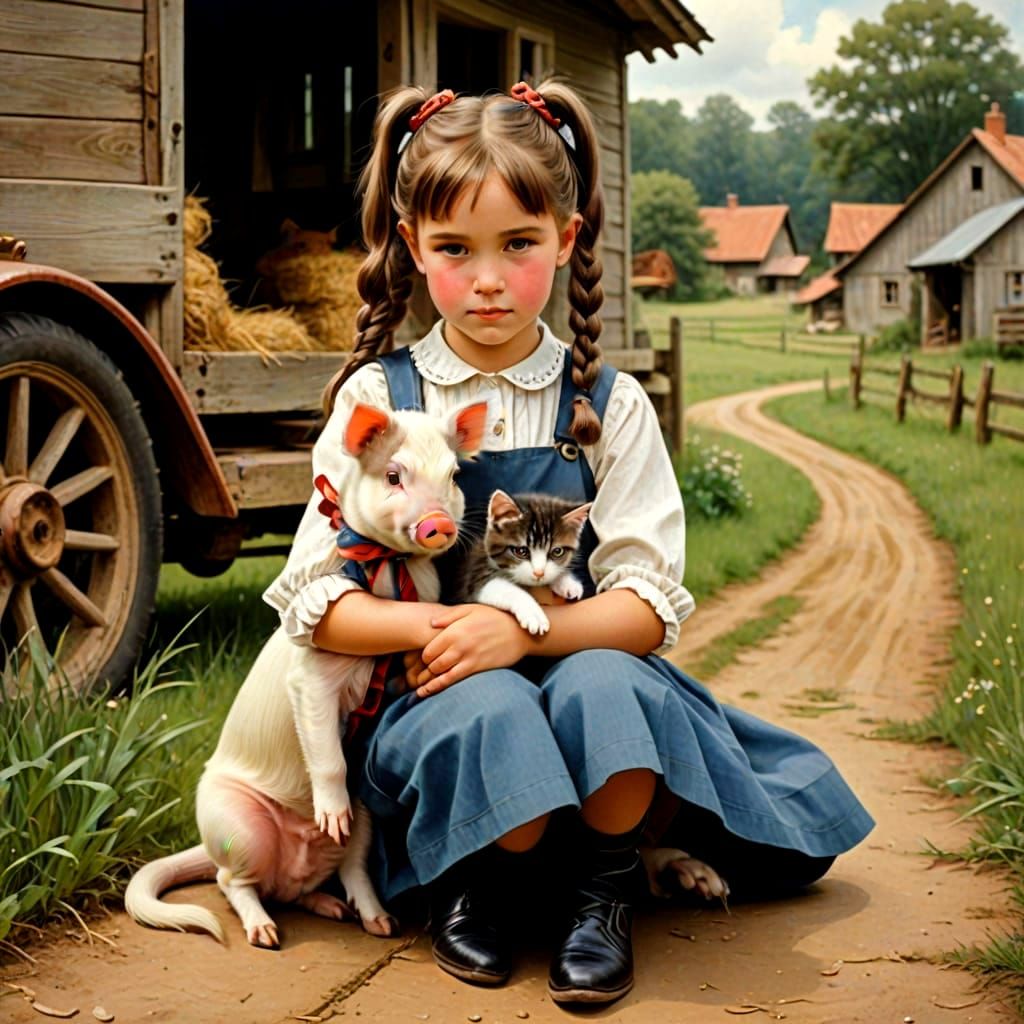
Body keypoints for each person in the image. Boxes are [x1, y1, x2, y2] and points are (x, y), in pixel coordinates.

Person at [263, 80, 874, 1007]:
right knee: (491, 704)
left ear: (569, 236)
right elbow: (320, 607)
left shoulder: (607, 406)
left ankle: (603, 890)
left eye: (519, 244)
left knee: (606, 682)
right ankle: (482, 885)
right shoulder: (378, 406)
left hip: (584, 674)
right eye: (454, 249)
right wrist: (453, 628)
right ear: (411, 247)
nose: (488, 279)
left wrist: (525, 633)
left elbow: (646, 606)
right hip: (441, 698)